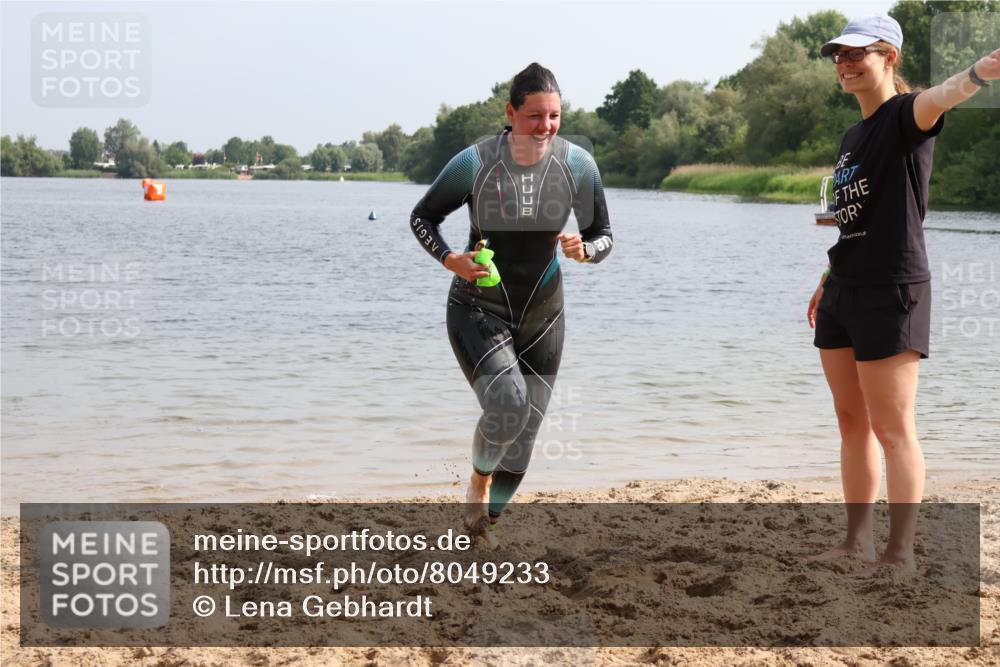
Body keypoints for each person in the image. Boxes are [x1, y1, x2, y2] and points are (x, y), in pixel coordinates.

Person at [806, 15, 999, 570]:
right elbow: (851, 221)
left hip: (892, 289)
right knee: (851, 422)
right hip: (844, 288)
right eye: (837, 54)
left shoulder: (905, 115)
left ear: (888, 56)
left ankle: (900, 552)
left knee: (893, 429)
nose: (844, 62)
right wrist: (826, 279)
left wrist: (980, 73)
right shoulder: (852, 137)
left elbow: (942, 96)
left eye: (856, 53)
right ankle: (856, 541)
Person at [410, 63, 613, 543]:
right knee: (507, 404)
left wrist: (585, 251)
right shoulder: (475, 162)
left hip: (544, 314)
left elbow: (603, 235)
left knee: (524, 439)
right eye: (535, 116)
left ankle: (483, 528)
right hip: (479, 307)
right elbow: (424, 216)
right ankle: (478, 481)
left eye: (555, 117)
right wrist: (449, 259)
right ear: (511, 113)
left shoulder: (577, 164)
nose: (545, 127)